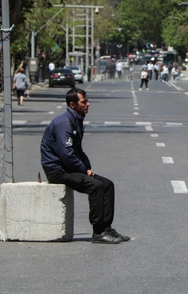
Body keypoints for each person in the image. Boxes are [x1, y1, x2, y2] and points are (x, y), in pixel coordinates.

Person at [40, 88, 130, 244]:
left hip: (68, 167)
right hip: (57, 170)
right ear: (73, 104)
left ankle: (106, 228)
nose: (88, 104)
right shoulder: (64, 123)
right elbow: (66, 154)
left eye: (87, 101)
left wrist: (87, 168)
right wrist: (83, 169)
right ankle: (98, 232)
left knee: (107, 184)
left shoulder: (75, 120)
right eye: (84, 102)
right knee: (95, 186)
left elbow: (78, 150)